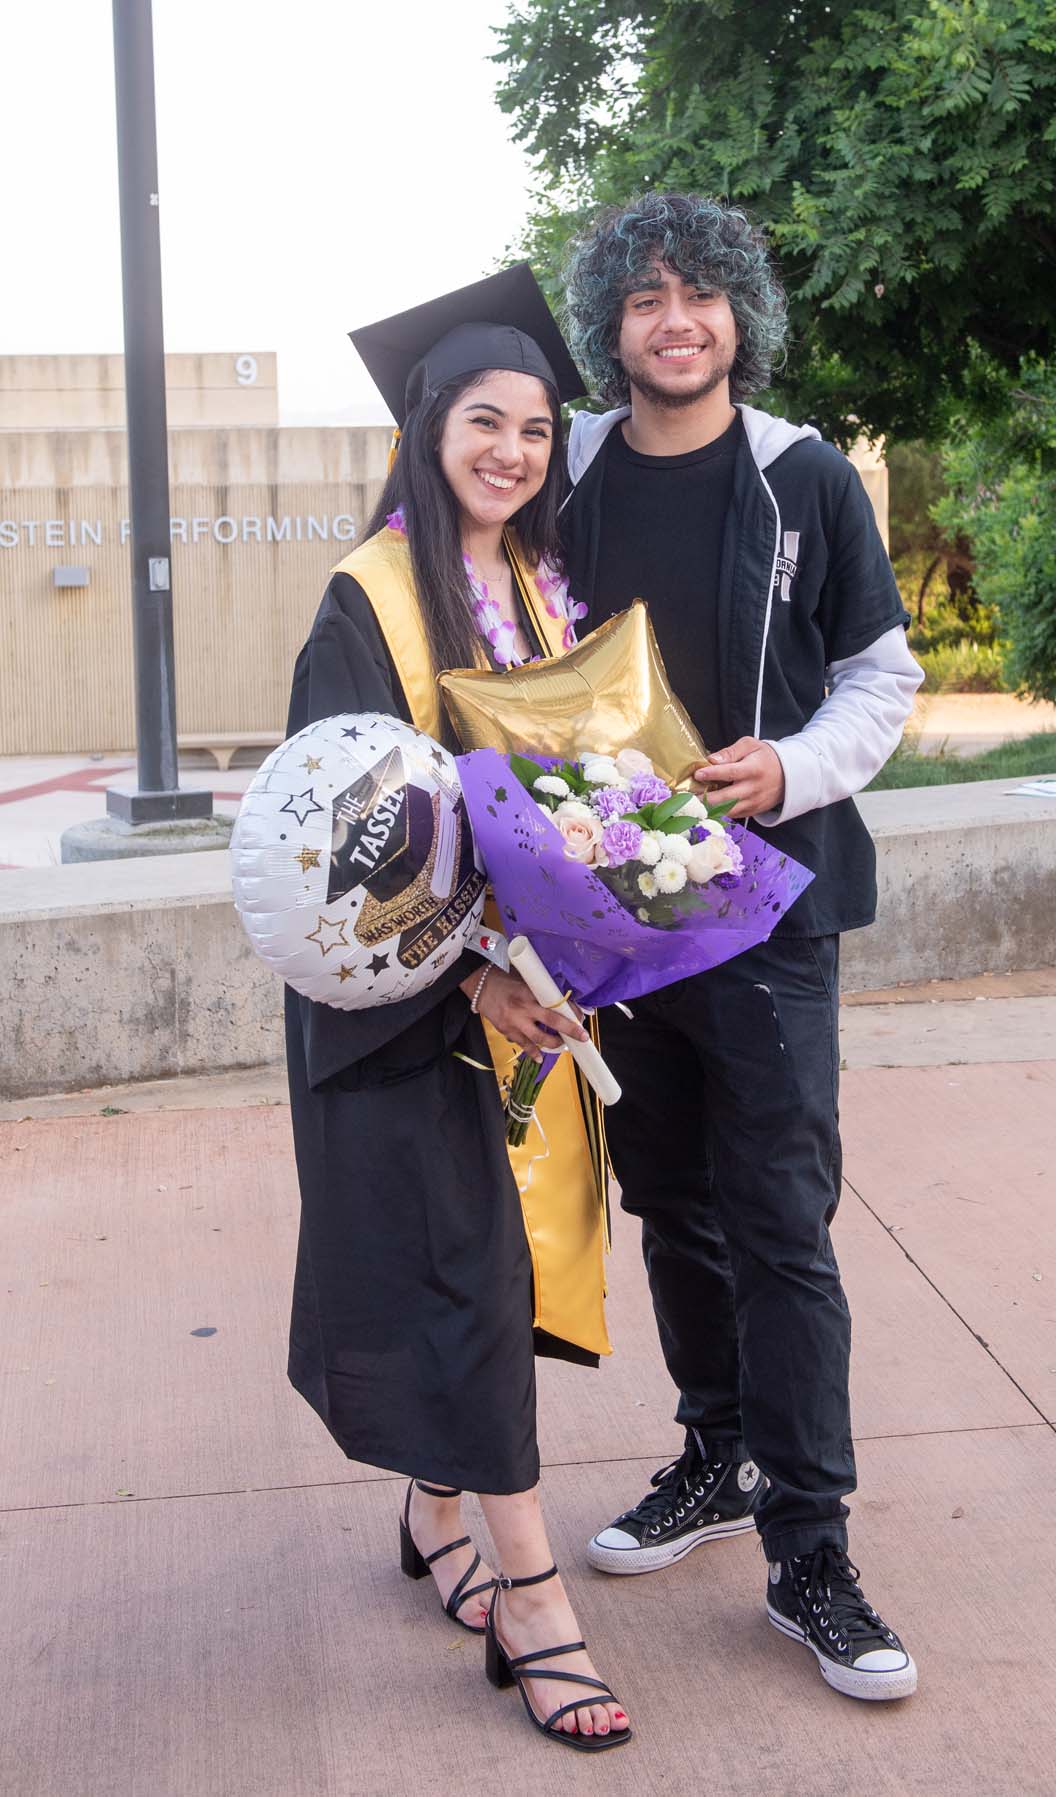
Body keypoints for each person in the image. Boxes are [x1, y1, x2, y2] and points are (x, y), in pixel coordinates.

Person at [558, 193, 925, 1702]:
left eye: (700, 295)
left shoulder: (802, 475)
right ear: (612, 325)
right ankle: (713, 1449)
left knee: (780, 1219)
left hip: (771, 907)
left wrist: (793, 767)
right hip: (617, 907)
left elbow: (882, 674)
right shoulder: (560, 467)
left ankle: (813, 1545)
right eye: (645, 297)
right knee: (670, 1202)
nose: (675, 320)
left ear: (739, 317)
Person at [285, 266, 631, 1751]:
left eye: (538, 428)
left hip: (531, 996)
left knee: (509, 1277)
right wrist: (475, 967)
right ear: (429, 426)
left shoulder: (542, 585)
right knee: (472, 1278)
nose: (512, 450)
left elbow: (586, 776)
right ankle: (535, 1597)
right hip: (408, 1006)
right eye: (485, 420)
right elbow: (339, 838)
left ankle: (435, 1509)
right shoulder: (366, 596)